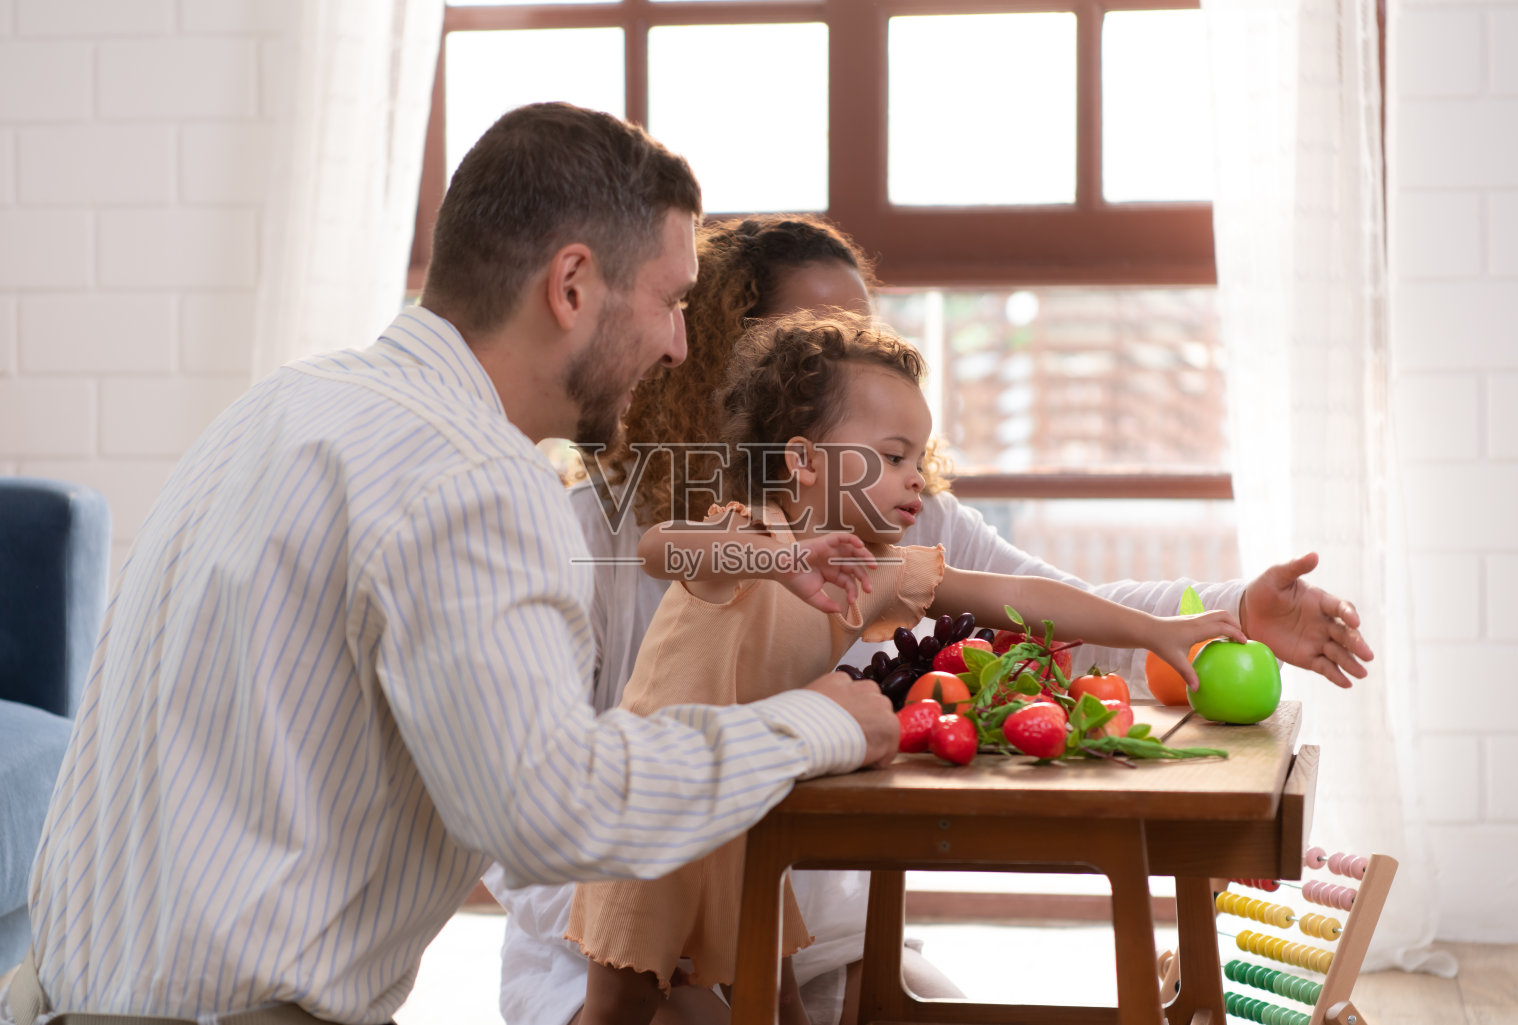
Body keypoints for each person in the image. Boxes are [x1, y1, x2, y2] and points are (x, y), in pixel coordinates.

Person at [0, 106, 901, 1025]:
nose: (680, 345)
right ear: (572, 285)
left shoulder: (285, 403)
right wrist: (814, 721)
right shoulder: (474, 472)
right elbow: (557, 811)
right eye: (670, 300)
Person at [488, 214, 1375, 1025]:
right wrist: (780, 558)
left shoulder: (895, 523)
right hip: (615, 910)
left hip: (809, 926)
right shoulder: (618, 528)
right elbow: (512, 797)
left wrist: (1228, 614)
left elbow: (1042, 606)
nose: (860, 356)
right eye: (822, 346)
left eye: (870, 338)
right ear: (741, 370)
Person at [560, 311, 1246, 1025]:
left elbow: (1009, 596)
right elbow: (660, 548)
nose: (915, 478)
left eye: (918, 457)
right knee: (622, 1005)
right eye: (892, 457)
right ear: (803, 461)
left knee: (778, 998)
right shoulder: (749, 534)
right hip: (654, 801)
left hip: (744, 813)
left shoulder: (872, 568)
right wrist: (785, 558)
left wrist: (1151, 629)